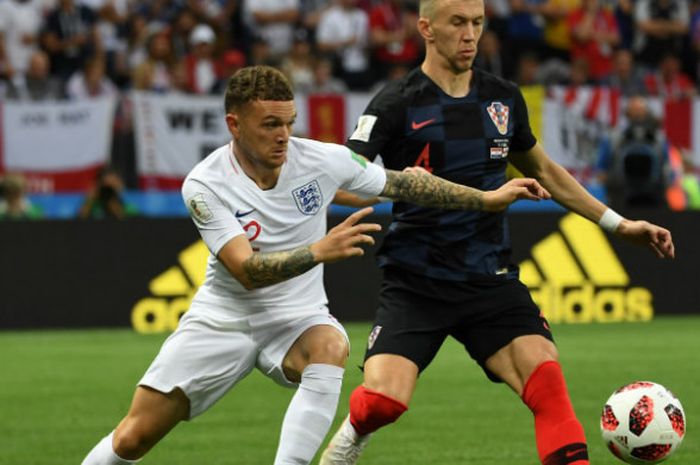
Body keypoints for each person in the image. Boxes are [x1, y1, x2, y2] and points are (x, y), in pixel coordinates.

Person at [80, 64, 550, 465]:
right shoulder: (204, 184)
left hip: (296, 319)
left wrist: (487, 198)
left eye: (288, 122)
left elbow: (404, 186)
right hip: (224, 319)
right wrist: (318, 252)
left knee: (331, 345)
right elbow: (246, 271)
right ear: (234, 124)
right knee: (133, 438)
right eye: (269, 125)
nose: (283, 135)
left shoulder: (319, 159)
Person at [320, 1, 676, 465]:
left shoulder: (502, 98)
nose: (471, 35)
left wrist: (619, 223)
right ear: (426, 28)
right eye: (458, 23)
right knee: (384, 403)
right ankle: (353, 431)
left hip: (490, 279)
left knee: (547, 383)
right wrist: (399, 186)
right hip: (416, 280)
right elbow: (345, 183)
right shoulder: (397, 102)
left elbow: (546, 170)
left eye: (478, 23)